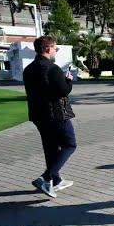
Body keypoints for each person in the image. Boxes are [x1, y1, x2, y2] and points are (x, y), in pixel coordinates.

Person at [24, 36, 77, 198]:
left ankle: (56, 180)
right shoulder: (52, 68)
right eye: (54, 48)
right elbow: (63, 91)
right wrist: (69, 80)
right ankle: (46, 178)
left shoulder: (28, 69)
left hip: (38, 115)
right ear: (47, 49)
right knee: (69, 144)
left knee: (50, 148)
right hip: (56, 114)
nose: (55, 51)